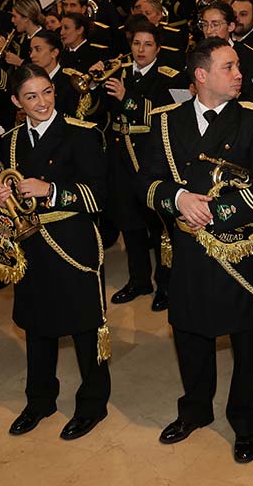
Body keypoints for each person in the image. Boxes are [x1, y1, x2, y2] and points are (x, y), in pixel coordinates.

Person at [137, 37, 253, 464]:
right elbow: (145, 181)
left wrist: (216, 213)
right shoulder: (166, 121)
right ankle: (196, 411)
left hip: (238, 250)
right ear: (200, 76)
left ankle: (245, 424)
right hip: (187, 250)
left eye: (238, 66)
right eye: (228, 67)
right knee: (190, 333)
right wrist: (178, 199)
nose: (239, 75)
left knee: (246, 342)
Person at [0, 64, 113, 441]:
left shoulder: (82, 133)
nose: (42, 102)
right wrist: (0, 195)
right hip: (30, 245)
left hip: (73, 243)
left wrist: (52, 190)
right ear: (16, 101)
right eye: (31, 96)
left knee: (84, 327)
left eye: (47, 92)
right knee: (37, 325)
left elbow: (100, 196)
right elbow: (8, 187)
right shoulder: (10, 140)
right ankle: (40, 400)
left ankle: (93, 404)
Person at [104, 18, 181, 311]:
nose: (141, 50)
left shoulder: (168, 76)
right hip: (120, 156)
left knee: (158, 225)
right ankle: (138, 280)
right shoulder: (119, 71)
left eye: (148, 44)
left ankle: (166, 283)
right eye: (136, 43)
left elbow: (162, 116)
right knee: (128, 221)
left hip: (151, 157)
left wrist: (127, 98)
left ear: (158, 48)